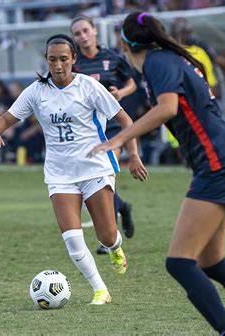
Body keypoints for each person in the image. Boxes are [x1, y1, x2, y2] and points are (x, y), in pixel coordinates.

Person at [88, 12, 225, 335]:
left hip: (219, 165)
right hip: (224, 162)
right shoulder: (172, 60)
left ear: (125, 44)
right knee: (210, 262)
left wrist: (119, 138)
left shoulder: (159, 63)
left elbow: (168, 108)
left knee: (179, 262)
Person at [0, 34, 147, 305]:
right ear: (46, 60)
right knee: (72, 239)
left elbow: (125, 120)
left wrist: (132, 154)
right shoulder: (36, 91)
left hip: (94, 168)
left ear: (74, 59)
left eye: (64, 59)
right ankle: (100, 290)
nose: (58, 65)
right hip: (60, 174)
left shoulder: (89, 87)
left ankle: (116, 247)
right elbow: (7, 117)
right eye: (52, 59)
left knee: (106, 235)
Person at [71, 15, 140, 254]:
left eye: (85, 30)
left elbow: (132, 83)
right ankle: (122, 208)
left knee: (102, 172)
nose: (82, 36)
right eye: (77, 33)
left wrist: (121, 92)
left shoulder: (111, 57)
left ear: (94, 31)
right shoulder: (73, 63)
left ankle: (107, 238)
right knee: (97, 174)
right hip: (85, 130)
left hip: (111, 125)